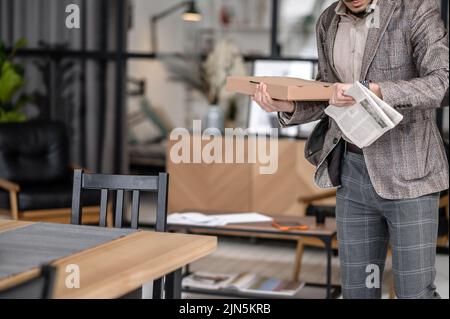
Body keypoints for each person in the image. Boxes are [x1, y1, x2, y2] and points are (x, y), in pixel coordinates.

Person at [253, 0, 449, 299]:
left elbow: (441, 83)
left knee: (415, 293)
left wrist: (375, 90)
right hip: (352, 171)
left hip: (411, 177)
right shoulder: (328, 20)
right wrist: (289, 105)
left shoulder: (416, 9)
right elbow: (328, 93)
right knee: (359, 291)